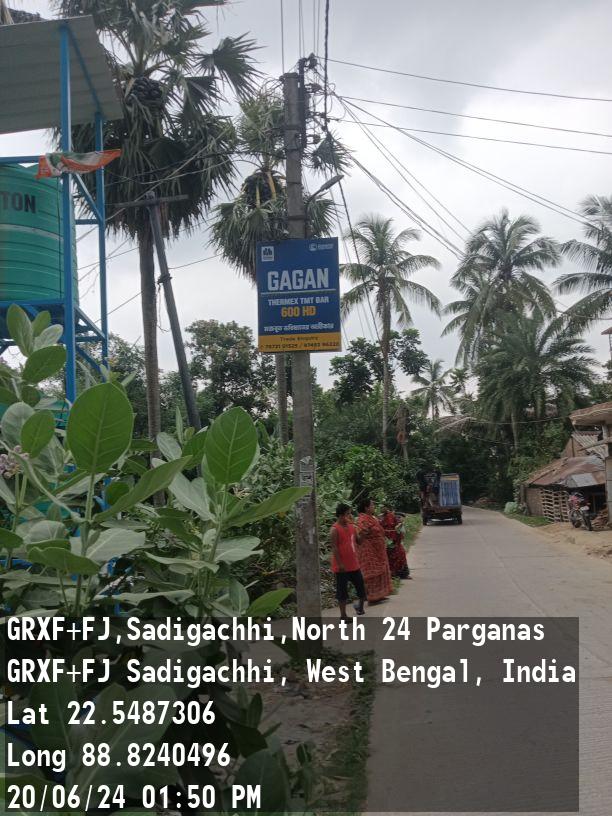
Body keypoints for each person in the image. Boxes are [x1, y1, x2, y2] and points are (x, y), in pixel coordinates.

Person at [330, 503, 367, 620]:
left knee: (361, 587)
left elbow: (358, 541)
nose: (350, 516)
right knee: (342, 592)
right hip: (342, 567)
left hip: (354, 564)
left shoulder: (352, 527)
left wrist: (363, 534)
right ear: (341, 515)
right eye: (348, 514)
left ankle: (360, 608)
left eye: (350, 513)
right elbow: (334, 547)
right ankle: (343, 616)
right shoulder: (334, 529)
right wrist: (340, 564)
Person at [355, 497, 393, 603]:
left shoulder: (371, 517)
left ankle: (380, 595)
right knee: (373, 574)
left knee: (381, 571)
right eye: (372, 505)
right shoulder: (363, 519)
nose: (374, 507)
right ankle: (373, 597)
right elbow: (361, 534)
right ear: (366, 508)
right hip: (369, 551)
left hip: (378, 550)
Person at [380, 505, 410, 579]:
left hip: (395, 540)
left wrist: (398, 529)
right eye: (381, 507)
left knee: (401, 554)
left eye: (383, 507)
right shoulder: (381, 517)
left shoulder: (391, 516)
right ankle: (392, 574)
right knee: (390, 557)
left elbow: (397, 527)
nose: (382, 508)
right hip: (386, 541)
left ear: (387, 508)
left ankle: (402, 574)